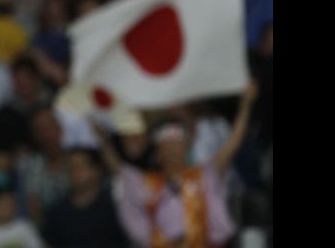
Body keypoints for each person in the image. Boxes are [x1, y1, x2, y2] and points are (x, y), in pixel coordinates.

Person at [94, 82, 258, 248]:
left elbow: (232, 145)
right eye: (167, 147)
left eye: (177, 146)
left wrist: (246, 105)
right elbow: (118, 169)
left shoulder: (204, 175)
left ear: (187, 148)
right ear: (158, 153)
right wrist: (102, 140)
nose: (173, 152)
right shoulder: (148, 184)